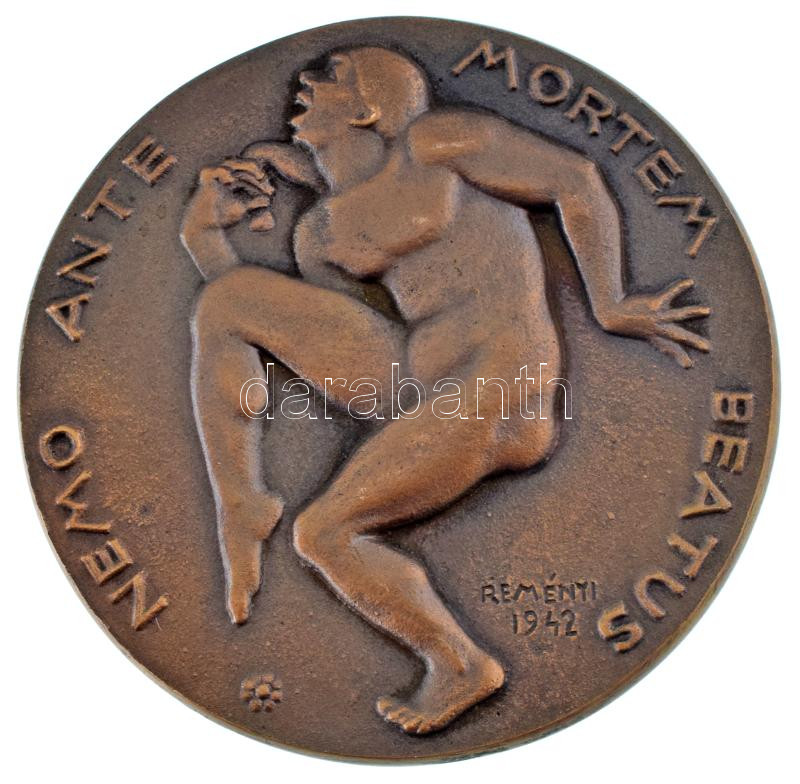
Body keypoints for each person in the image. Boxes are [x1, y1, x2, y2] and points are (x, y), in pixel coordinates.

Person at [180, 46, 709, 735]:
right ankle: (241, 506)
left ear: (368, 107)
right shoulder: (321, 233)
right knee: (228, 302)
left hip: (500, 385)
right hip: (423, 384)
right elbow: (314, 348)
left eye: (331, 75)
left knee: (324, 532)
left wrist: (610, 305)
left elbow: (574, 178)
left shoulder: (435, 143)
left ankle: (460, 664)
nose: (305, 81)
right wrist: (205, 239)